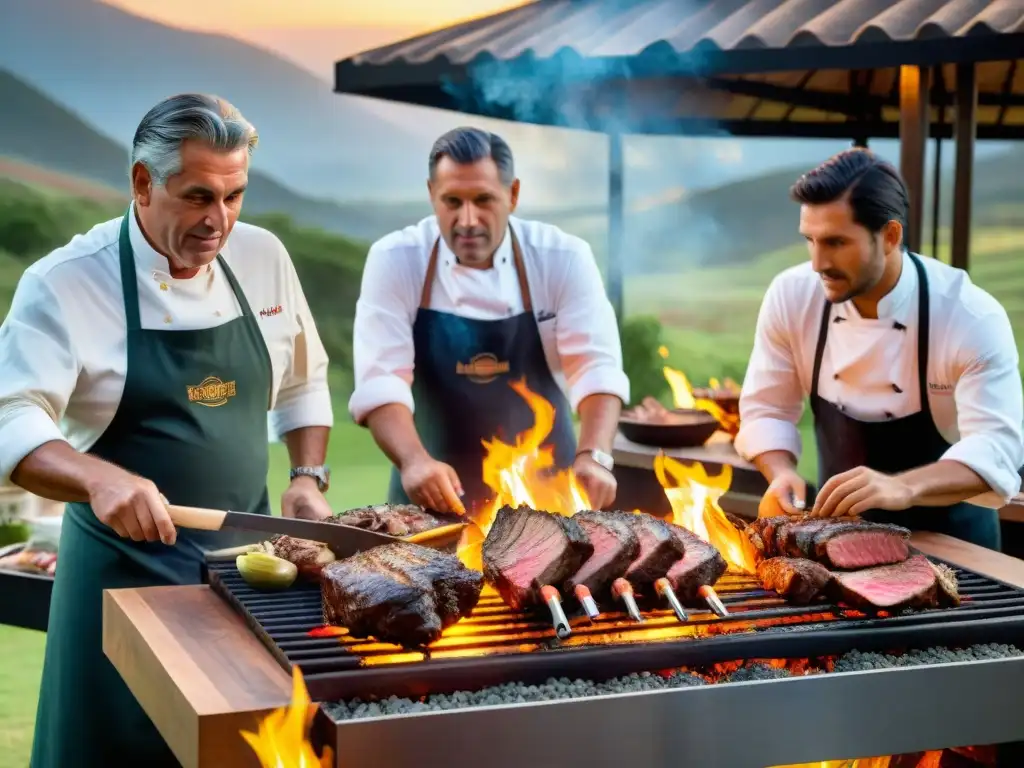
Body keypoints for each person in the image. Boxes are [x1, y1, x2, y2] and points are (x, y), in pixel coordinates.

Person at [0, 94, 334, 766]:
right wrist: (99, 479)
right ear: (143, 183)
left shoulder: (262, 258)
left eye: (235, 195)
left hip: (245, 578)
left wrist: (305, 477)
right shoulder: (67, 283)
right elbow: (10, 416)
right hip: (119, 591)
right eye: (198, 196)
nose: (219, 221)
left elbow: (304, 381)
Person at [735, 147, 1023, 551]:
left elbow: (998, 448)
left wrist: (901, 487)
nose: (818, 263)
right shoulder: (792, 295)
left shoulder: (968, 315)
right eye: (810, 241)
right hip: (839, 542)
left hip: (954, 545)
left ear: (890, 236)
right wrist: (781, 472)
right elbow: (767, 409)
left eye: (836, 242)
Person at [349, 127, 629, 515]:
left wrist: (594, 456)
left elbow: (596, 368)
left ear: (512, 195)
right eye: (452, 201)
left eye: (483, 200)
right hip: (430, 498)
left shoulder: (562, 256)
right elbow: (380, 381)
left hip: (545, 496)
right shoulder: (396, 258)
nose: (467, 220)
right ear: (431, 194)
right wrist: (414, 461)